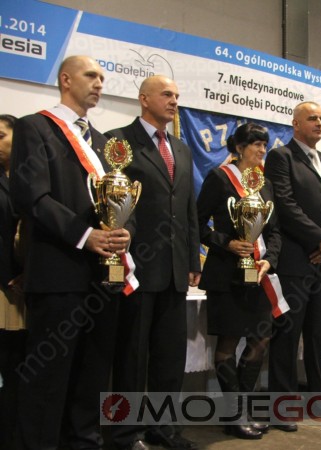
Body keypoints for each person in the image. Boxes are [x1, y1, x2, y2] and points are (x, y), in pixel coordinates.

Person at [10, 55, 131, 450]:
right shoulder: (35, 127)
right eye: (90, 75)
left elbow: (122, 203)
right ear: (65, 79)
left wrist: (123, 233)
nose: (99, 83)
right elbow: (32, 196)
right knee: (48, 378)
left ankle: (85, 442)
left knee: (92, 375)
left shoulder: (105, 143)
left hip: (103, 277)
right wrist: (85, 235)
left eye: (102, 77)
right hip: (58, 274)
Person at [106, 75, 201, 450]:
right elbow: (114, 206)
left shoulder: (181, 148)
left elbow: (189, 208)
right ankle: (123, 434)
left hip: (175, 271)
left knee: (169, 356)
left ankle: (163, 428)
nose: (174, 101)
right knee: (130, 357)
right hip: (136, 268)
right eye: (166, 94)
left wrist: (193, 258)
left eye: (177, 95)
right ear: (144, 99)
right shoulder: (118, 142)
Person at [264, 101, 321, 430]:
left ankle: (318, 398)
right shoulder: (281, 157)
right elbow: (284, 204)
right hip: (295, 261)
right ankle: (280, 407)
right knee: (287, 336)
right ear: (296, 124)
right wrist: (319, 239)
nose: (319, 123)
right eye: (312, 118)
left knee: (317, 336)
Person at [196, 123, 283, 439]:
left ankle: (243, 408)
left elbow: (274, 232)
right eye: (256, 144)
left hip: (258, 274)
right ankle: (232, 414)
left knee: (261, 340)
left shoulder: (265, 184)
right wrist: (227, 242)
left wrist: (270, 259)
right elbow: (197, 223)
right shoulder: (220, 178)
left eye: (264, 144)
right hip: (226, 274)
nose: (261, 150)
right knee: (228, 343)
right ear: (239, 147)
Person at [0, 114, 26, 450]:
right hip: (4, 283)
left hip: (26, 286)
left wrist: (28, 271)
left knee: (19, 366)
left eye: (1, 135)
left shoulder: (29, 177)